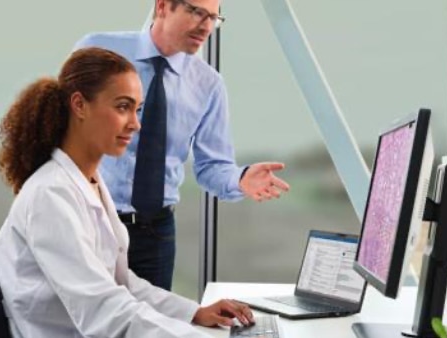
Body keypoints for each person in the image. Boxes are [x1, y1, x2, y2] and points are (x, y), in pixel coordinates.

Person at [0, 47, 254, 338]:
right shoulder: (49, 196)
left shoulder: (88, 181)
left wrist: (193, 313)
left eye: (137, 109)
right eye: (122, 107)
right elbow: (103, 311)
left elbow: (120, 284)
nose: (136, 123)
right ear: (79, 105)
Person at [74, 0, 291, 291]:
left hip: (155, 234)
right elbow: (59, 125)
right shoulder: (99, 50)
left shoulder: (208, 84)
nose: (206, 26)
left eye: (214, 18)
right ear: (163, 6)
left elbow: (213, 166)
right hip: (91, 220)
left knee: (152, 326)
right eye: (197, 12)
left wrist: (240, 179)